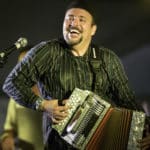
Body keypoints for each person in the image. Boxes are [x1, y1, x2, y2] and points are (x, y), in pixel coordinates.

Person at [2, 0, 150, 149]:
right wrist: (44, 105)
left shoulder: (108, 59)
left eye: (81, 19)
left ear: (93, 29)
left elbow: (128, 101)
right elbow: (12, 84)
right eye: (70, 18)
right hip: (58, 145)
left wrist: (147, 128)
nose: (74, 23)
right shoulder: (47, 51)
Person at [0, 48, 44, 150]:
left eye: (27, 63)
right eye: (20, 65)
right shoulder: (15, 96)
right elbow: (9, 129)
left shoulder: (53, 92)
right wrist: (7, 139)